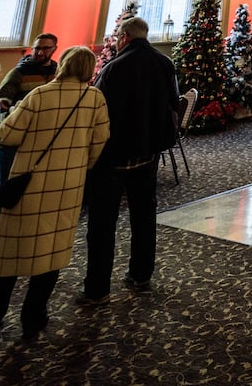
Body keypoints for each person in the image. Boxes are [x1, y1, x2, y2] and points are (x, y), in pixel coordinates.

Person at [0, 45, 109, 343]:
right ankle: (33, 320)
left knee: (10, 257)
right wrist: (79, 166)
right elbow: (100, 142)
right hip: (67, 188)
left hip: (30, 185)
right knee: (50, 257)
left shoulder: (40, 95)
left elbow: (6, 134)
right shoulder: (95, 98)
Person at [81, 17, 181, 305]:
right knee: (144, 215)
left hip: (113, 158)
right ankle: (141, 273)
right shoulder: (164, 63)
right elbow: (173, 104)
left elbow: (98, 113)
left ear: (123, 37)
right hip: (147, 154)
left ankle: (97, 287)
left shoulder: (113, 69)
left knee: (102, 224)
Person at [0, 33, 59, 264]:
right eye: (37, 48)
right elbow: (2, 102)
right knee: (4, 189)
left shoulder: (57, 72)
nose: (40, 52)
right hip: (11, 140)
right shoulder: (19, 73)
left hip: (40, 141)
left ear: (54, 49)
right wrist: (17, 109)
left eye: (45, 48)